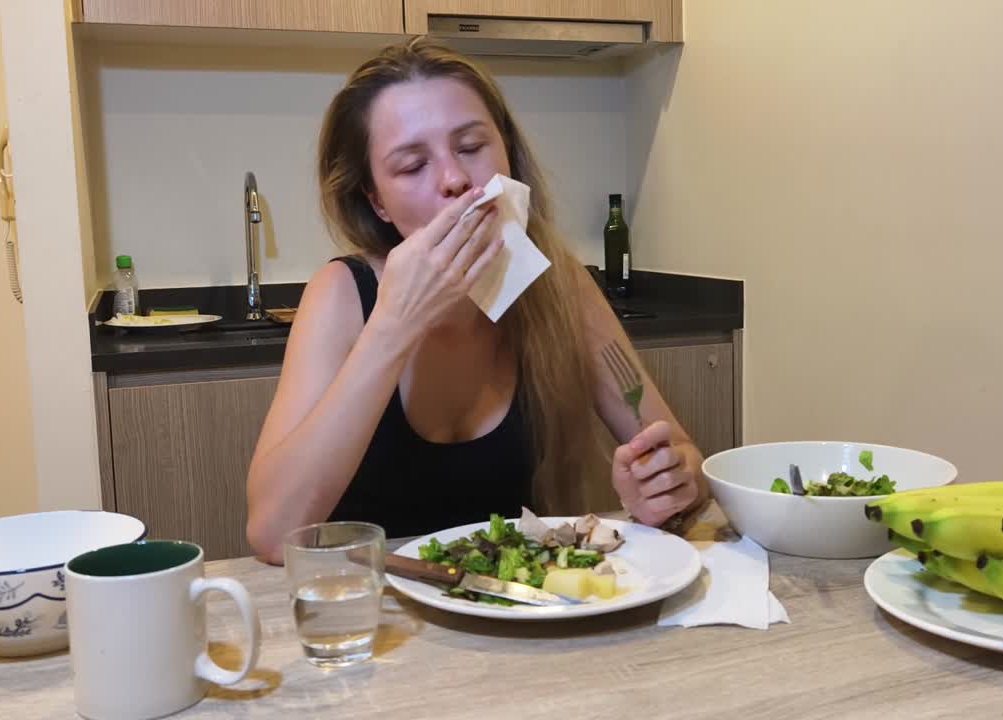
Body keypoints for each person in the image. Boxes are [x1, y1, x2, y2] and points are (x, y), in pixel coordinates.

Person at [245, 38, 709, 564]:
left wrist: (667, 483)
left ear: (507, 154)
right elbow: (273, 534)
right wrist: (394, 324)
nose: (455, 179)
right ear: (377, 201)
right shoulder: (341, 295)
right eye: (412, 166)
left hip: (519, 596)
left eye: (470, 147)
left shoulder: (561, 285)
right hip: (378, 599)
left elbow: (682, 457)